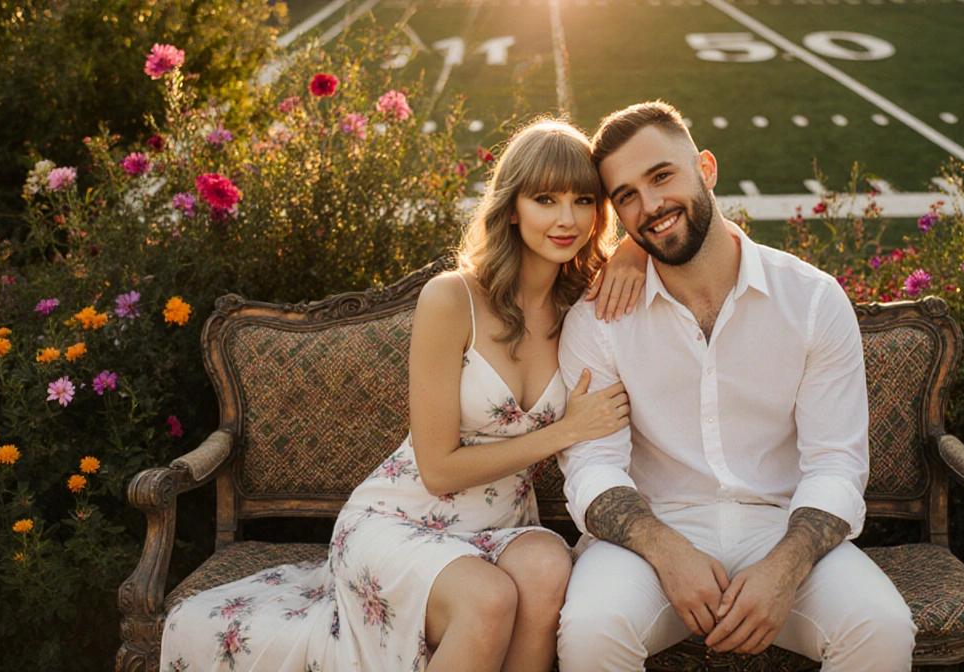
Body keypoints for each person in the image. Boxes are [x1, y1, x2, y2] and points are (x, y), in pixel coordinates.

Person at [159, 118, 644, 672]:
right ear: (512, 207)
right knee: (489, 600)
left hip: (503, 522)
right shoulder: (452, 298)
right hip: (402, 518)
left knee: (549, 566)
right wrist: (565, 431)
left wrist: (630, 251)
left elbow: (682, 240)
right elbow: (438, 468)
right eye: (545, 199)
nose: (566, 219)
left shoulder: (587, 303)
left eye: (583, 200)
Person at [555, 101, 917, 671]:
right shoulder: (596, 320)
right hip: (650, 534)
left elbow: (836, 466)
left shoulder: (812, 300)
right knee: (593, 630)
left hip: (783, 523)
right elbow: (591, 466)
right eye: (626, 196)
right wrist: (664, 549)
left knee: (882, 627)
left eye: (662, 176)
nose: (650, 206)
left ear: (706, 167)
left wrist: (785, 567)